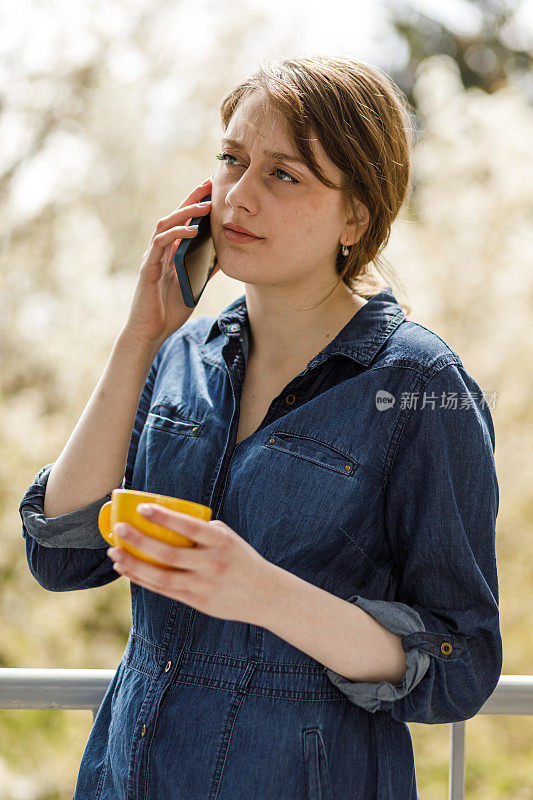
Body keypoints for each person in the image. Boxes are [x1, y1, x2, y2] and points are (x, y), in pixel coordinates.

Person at [19, 55, 502, 800]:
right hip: (125, 777)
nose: (237, 197)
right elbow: (63, 553)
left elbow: (459, 661)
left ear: (356, 215)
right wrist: (138, 336)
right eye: (231, 161)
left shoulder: (419, 385)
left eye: (283, 175)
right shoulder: (181, 352)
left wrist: (258, 591)